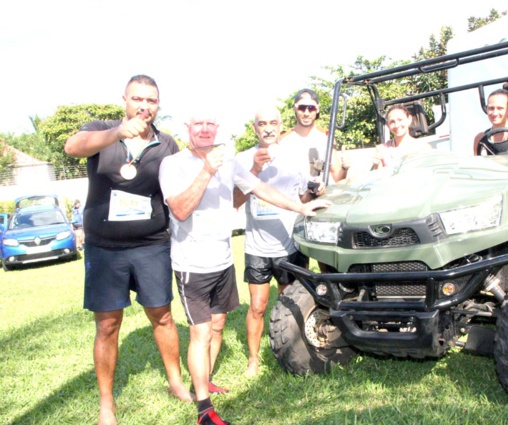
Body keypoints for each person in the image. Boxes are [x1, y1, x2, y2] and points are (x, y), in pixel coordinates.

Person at [159, 108, 330, 425]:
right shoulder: (173, 164)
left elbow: (261, 189)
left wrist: (301, 206)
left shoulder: (229, 162)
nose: (206, 128)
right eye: (199, 123)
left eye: (210, 122)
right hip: (191, 264)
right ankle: (204, 410)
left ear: (217, 127)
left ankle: (205, 380)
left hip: (223, 260)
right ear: (188, 127)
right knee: (200, 333)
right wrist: (206, 172)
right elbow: (180, 210)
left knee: (219, 325)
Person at [64, 75, 192, 425]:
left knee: (162, 316)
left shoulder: (166, 144)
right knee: (107, 324)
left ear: (158, 105)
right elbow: (72, 147)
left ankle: (176, 382)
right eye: (137, 98)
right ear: (124, 99)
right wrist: (117, 134)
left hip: (151, 245)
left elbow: (180, 187)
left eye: (151, 100)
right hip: (105, 249)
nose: (143, 106)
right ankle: (107, 402)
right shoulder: (101, 130)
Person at [234, 106, 325, 379]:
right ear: (255, 128)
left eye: (273, 122)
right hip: (257, 248)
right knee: (258, 306)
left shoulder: (295, 158)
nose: (269, 128)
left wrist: (315, 192)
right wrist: (254, 169)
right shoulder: (242, 158)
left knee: (289, 303)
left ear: (281, 124)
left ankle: (291, 352)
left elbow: (303, 201)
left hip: (289, 245)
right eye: (263, 123)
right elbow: (235, 202)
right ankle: (253, 360)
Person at [280, 88, 351, 183]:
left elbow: (338, 178)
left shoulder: (327, 138)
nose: (306, 113)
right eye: (302, 108)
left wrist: (344, 168)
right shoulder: (283, 140)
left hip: (320, 196)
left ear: (317, 110)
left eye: (311, 108)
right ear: (295, 109)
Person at [372, 104, 429, 170]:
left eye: (400, 120)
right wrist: (377, 165)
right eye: (392, 122)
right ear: (388, 125)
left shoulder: (423, 148)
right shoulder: (382, 150)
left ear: (409, 119)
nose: (397, 125)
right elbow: (380, 177)